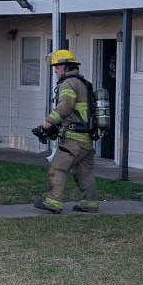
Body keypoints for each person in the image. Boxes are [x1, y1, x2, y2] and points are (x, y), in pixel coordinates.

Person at [34, 48, 100, 214]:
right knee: (84, 173)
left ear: (67, 66)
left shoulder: (69, 83)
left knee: (57, 168)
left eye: (57, 66)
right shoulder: (82, 83)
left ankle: (54, 203)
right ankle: (90, 204)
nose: (55, 70)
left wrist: (49, 122)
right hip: (86, 140)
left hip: (73, 140)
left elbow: (66, 106)